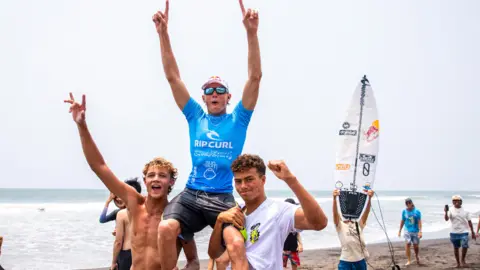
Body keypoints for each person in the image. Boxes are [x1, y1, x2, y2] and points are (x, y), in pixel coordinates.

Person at [152, 0, 262, 268]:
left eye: (219, 90)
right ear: (203, 97)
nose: (214, 94)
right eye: (209, 91)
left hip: (222, 196)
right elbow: (173, 78)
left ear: (228, 97)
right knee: (166, 229)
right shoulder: (195, 116)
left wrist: (251, 33)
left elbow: (255, 78)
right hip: (191, 193)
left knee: (236, 243)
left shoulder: (239, 119)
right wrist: (163, 34)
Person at [64, 93, 198, 270]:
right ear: (145, 180)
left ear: (171, 182)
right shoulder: (134, 204)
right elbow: (99, 166)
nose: (156, 179)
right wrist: (81, 126)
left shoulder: (177, 217)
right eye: (151, 175)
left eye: (162, 175)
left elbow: (193, 261)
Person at [208, 154, 328, 270]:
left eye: (249, 179)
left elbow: (319, 223)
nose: (243, 186)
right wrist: (219, 222)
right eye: (238, 181)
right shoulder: (233, 212)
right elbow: (214, 254)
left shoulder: (278, 211)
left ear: (263, 180)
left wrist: (291, 180)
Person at [333, 189, 373, 270]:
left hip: (360, 260)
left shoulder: (358, 225)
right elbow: (335, 213)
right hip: (345, 261)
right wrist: (334, 199)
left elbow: (366, 212)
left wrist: (369, 198)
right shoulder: (340, 226)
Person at [111, 179, 142, 270]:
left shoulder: (121, 214)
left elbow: (118, 242)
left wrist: (113, 262)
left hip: (126, 254)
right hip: (141, 253)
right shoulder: (146, 211)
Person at [444, 195, 476, 268]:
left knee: (465, 245)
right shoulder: (450, 210)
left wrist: (473, 232)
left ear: (461, 201)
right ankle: (458, 263)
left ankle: (463, 260)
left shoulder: (465, 211)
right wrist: (445, 212)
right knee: (456, 248)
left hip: (464, 231)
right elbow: (446, 219)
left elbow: (469, 222)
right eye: (454, 200)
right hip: (454, 232)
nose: (456, 202)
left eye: (457, 200)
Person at [398, 198, 422, 266]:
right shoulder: (404, 211)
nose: (408, 204)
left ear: (411, 203)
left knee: (416, 246)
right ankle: (408, 260)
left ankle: (416, 256)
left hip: (415, 231)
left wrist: (420, 231)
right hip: (407, 230)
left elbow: (419, 222)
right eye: (406, 203)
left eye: (409, 203)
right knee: (408, 244)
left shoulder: (417, 211)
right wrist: (399, 230)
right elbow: (402, 221)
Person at [283, 198, 304, 270]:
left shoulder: (295, 220)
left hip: (293, 248)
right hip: (283, 248)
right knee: (282, 266)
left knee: (294, 265)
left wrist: (300, 244)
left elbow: (297, 233)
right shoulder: (281, 219)